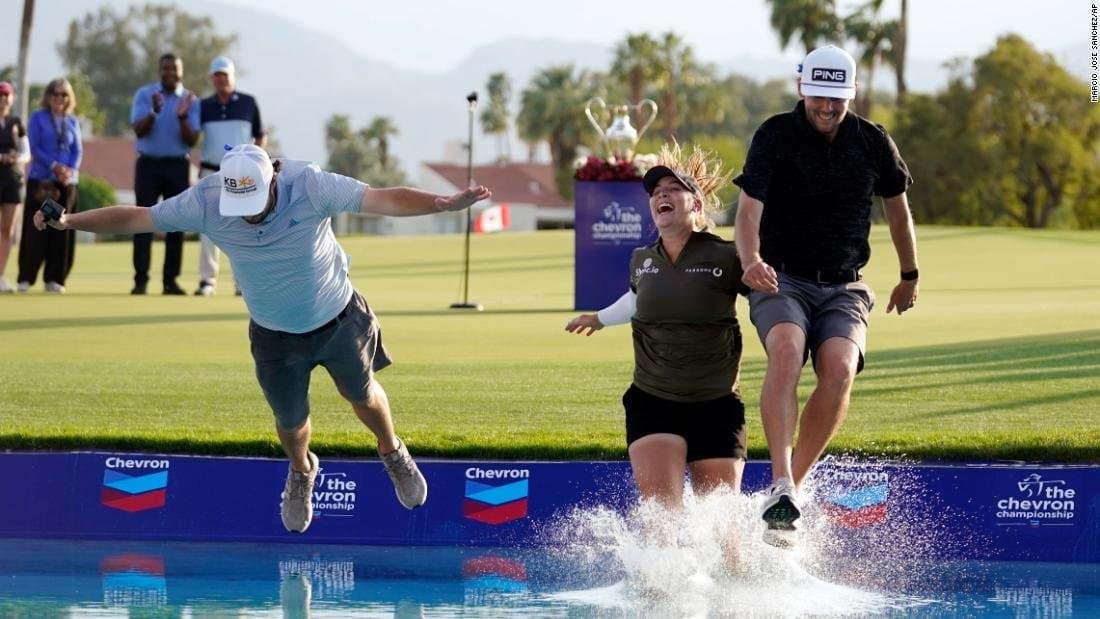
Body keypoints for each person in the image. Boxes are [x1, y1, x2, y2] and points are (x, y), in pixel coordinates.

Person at [36, 144, 492, 533]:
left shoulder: (309, 184)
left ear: (273, 177)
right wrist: (69, 221)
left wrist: (443, 203)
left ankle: (392, 451)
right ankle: (301, 471)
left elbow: (383, 199)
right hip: (274, 334)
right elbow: (140, 216)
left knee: (362, 394)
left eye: (257, 200)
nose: (250, 213)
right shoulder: (208, 198)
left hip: (337, 316)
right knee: (290, 423)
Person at [732, 44, 920, 546]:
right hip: (781, 277)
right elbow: (748, 210)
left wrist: (910, 273)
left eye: (837, 98)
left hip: (845, 282)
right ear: (802, 88)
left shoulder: (873, 141)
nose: (827, 107)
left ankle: (792, 487)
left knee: (839, 368)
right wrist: (750, 261)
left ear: (851, 94)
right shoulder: (774, 134)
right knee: (789, 349)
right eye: (819, 96)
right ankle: (779, 481)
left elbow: (898, 211)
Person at [565, 143, 747, 512]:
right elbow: (637, 300)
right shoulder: (641, 258)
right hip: (654, 400)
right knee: (663, 520)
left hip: (716, 404)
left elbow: (763, 299)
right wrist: (597, 318)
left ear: (696, 204)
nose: (661, 195)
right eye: (656, 192)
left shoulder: (728, 255)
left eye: (673, 189)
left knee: (723, 532)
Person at [129, 52, 200, 295]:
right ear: (159, 71)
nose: (170, 73)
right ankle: (140, 280)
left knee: (176, 222)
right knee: (142, 221)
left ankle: (170, 281)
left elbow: (192, 138)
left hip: (177, 165)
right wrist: (154, 112)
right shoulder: (145, 95)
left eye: (175, 69)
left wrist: (181, 117)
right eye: (165, 68)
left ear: (181, 72)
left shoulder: (190, 100)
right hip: (148, 164)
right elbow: (138, 130)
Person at [194, 55, 265, 297]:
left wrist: (259, 162)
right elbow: (191, 136)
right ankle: (208, 280)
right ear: (212, 78)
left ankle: (241, 283)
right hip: (210, 171)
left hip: (242, 173)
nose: (221, 79)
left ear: (232, 77)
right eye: (217, 75)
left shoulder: (248, 103)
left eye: (225, 75)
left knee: (242, 228)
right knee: (208, 227)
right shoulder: (204, 106)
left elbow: (259, 134)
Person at [17, 78, 81, 293]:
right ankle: (26, 277)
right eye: (55, 93)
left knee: (61, 228)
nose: (59, 98)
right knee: (37, 228)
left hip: (66, 183)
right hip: (42, 181)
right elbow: (34, 147)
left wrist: (68, 170)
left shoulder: (72, 121)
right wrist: (54, 166)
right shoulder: (38, 118)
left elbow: (77, 151)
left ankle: (55, 278)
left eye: (64, 94)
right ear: (48, 96)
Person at [0, 81, 30, 293]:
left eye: (6, 95)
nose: (3, 99)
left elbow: (26, 153)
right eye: (0, 95)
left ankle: (0, 275)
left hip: (12, 179)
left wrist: (16, 158)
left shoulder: (16, 122)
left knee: (7, 230)